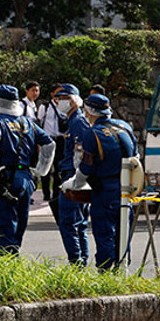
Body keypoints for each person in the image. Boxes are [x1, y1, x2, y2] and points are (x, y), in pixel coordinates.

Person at [62, 94, 137, 271]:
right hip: (127, 188)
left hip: (105, 190)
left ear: (90, 111)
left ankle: (104, 273)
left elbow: (86, 168)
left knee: (104, 234)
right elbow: (136, 157)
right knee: (123, 233)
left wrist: (73, 184)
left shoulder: (92, 134)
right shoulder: (124, 126)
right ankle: (123, 270)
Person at [0, 84, 55, 256]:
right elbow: (50, 144)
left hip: (6, 178)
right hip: (26, 178)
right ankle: (14, 253)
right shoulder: (28, 123)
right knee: (20, 220)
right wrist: (41, 170)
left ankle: (8, 259)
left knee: (3, 221)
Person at [53, 84, 92, 266]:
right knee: (78, 223)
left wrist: (75, 181)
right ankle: (80, 261)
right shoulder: (73, 121)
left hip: (73, 177)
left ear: (73, 100)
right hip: (74, 176)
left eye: (63, 98)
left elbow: (80, 153)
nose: (59, 102)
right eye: (58, 99)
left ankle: (77, 262)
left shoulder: (78, 122)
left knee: (69, 223)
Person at [37, 84, 66, 205]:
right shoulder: (45, 106)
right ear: (52, 94)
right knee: (46, 167)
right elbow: (39, 123)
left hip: (61, 139)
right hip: (47, 139)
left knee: (58, 168)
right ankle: (46, 194)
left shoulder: (64, 107)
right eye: (57, 93)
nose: (60, 96)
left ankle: (55, 194)